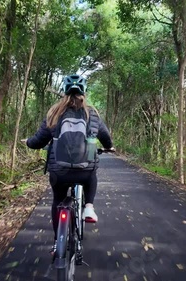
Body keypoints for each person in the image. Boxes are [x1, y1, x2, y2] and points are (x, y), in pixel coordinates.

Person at [23, 74, 114, 253]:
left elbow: (38, 141)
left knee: (57, 200)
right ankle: (89, 207)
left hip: (59, 172)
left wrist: (27, 142)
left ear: (65, 92)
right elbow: (105, 137)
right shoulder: (92, 113)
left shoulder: (55, 113)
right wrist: (110, 147)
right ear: (84, 92)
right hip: (84, 170)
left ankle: (58, 242)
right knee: (91, 175)